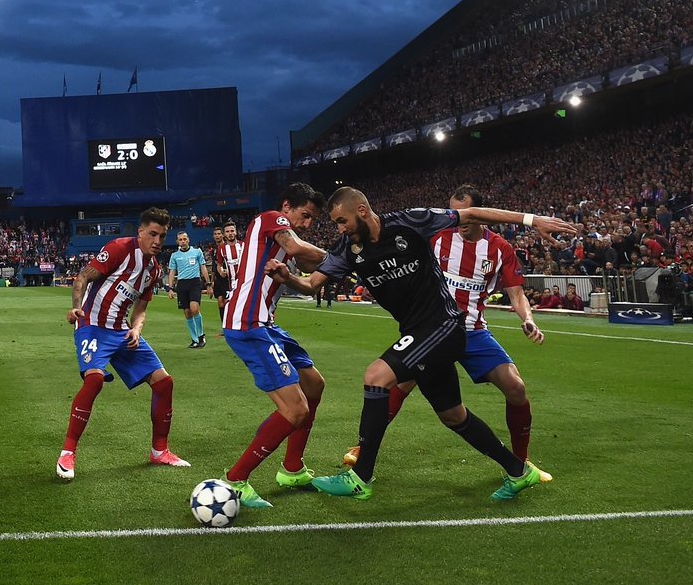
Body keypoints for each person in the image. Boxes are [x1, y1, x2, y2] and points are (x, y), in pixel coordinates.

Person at [268, 186, 577, 502]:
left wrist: (531, 220)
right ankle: (518, 471)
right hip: (419, 333)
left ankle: (360, 477)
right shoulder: (349, 249)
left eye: (341, 221)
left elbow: (471, 214)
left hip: (444, 325)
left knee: (377, 376)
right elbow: (311, 285)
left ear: (361, 211)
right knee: (453, 415)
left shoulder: (410, 222)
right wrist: (287, 277)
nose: (340, 229)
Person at [58, 208, 189, 481]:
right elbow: (83, 277)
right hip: (92, 325)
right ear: (140, 232)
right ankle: (68, 453)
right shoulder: (119, 248)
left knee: (164, 383)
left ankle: (159, 451)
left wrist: (137, 329)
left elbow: (140, 309)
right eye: (152, 234)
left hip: (121, 332)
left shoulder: (154, 270)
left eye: (162, 236)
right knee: (94, 380)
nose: (157, 241)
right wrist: (75, 307)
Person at [221, 183, 330, 509]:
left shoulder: (286, 243)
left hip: (267, 324)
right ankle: (236, 479)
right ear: (286, 207)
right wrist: (338, 255)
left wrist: (333, 260)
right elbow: (298, 248)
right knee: (295, 409)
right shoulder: (270, 219)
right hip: (248, 324)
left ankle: (292, 468)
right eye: (304, 215)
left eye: (312, 219)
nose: (307, 224)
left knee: (314, 384)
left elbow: (311, 271)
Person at [166, 231, 211, 348]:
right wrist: (170, 288)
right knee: (187, 312)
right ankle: (194, 339)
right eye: (180, 239)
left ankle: (201, 336)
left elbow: (203, 267)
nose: (183, 241)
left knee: (194, 308)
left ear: (188, 240)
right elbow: (172, 272)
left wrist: (208, 283)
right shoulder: (174, 256)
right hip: (182, 284)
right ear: (177, 242)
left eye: (184, 239)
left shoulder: (197, 252)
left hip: (194, 282)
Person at [210, 226, 230, 327]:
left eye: (219, 234)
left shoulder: (227, 247)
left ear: (222, 235)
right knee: (220, 302)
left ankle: (230, 325)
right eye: (215, 234)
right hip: (218, 279)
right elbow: (214, 266)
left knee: (227, 302)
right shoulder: (213, 249)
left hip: (227, 278)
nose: (217, 236)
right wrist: (212, 281)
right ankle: (224, 326)